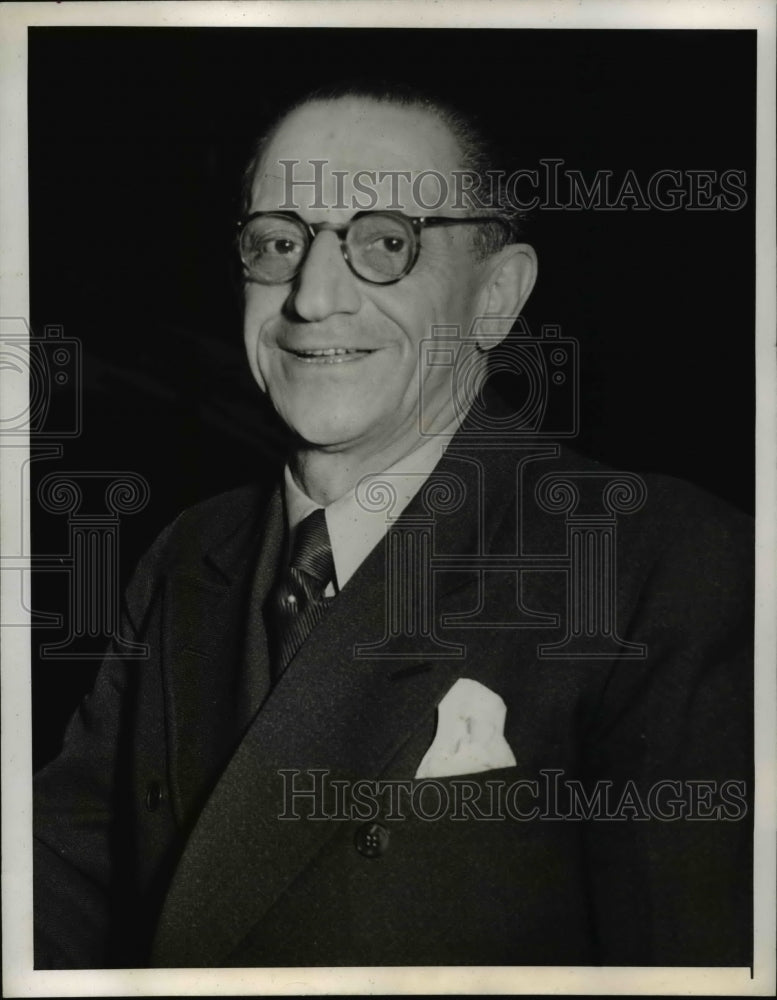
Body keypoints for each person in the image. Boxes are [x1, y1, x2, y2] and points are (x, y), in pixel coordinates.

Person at [33, 83, 752, 969]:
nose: (312, 297)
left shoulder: (660, 561)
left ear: (495, 296)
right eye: (277, 242)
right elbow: (61, 882)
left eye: (384, 242)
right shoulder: (186, 554)